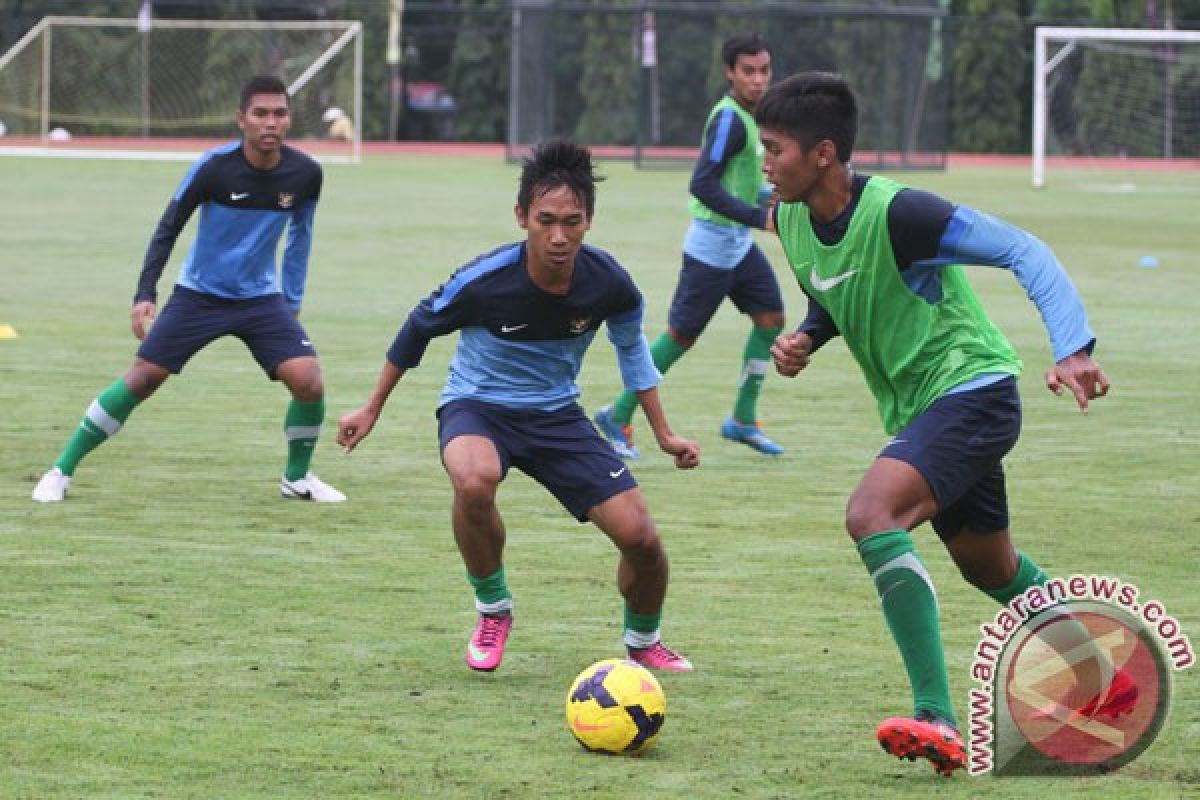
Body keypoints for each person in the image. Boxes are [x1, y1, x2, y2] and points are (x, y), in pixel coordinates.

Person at [755, 72, 1129, 776]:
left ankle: (935, 716)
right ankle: (1103, 678)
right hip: (925, 409)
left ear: (825, 153)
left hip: (973, 391)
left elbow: (1025, 249)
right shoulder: (791, 218)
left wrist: (1072, 347)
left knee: (872, 514)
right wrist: (807, 337)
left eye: (774, 149)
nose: (764, 163)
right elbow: (839, 290)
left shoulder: (903, 214)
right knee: (992, 567)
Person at [337, 138, 700, 674]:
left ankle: (644, 641)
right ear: (522, 216)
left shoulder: (609, 283)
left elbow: (634, 354)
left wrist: (664, 433)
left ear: (589, 221)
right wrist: (371, 408)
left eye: (572, 222)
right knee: (473, 478)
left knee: (641, 538)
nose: (558, 236)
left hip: (556, 415)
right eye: (545, 220)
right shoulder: (485, 281)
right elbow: (418, 327)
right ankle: (493, 609)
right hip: (477, 406)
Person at [33, 75, 345, 504]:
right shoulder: (214, 168)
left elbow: (301, 237)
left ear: (289, 119)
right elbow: (168, 228)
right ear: (241, 119)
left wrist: (291, 301)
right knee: (143, 378)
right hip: (199, 296)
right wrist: (145, 294)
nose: (270, 122)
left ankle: (298, 478)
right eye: (260, 113)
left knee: (308, 381)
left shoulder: (305, 173)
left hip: (260, 300)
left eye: (279, 113)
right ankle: (60, 470)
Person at [594, 32, 786, 459]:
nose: (758, 80)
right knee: (680, 337)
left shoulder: (754, 118)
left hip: (738, 246)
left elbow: (743, 184)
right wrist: (760, 216)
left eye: (764, 71)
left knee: (771, 319)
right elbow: (703, 183)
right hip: (712, 247)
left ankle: (742, 419)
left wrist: (772, 202)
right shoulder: (730, 120)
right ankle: (618, 415)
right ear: (729, 73)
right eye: (748, 71)